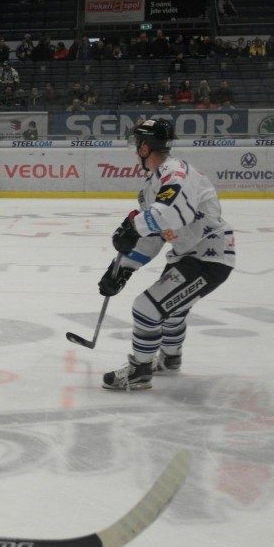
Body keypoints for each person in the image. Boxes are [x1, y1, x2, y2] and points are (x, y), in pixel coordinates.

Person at [98, 119, 235, 390]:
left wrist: (133, 226)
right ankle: (170, 359)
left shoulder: (176, 173)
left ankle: (139, 372)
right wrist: (123, 268)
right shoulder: (154, 183)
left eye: (137, 145)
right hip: (189, 255)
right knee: (171, 310)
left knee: (146, 308)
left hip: (209, 257)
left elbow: (171, 214)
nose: (135, 150)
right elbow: (156, 236)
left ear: (145, 148)